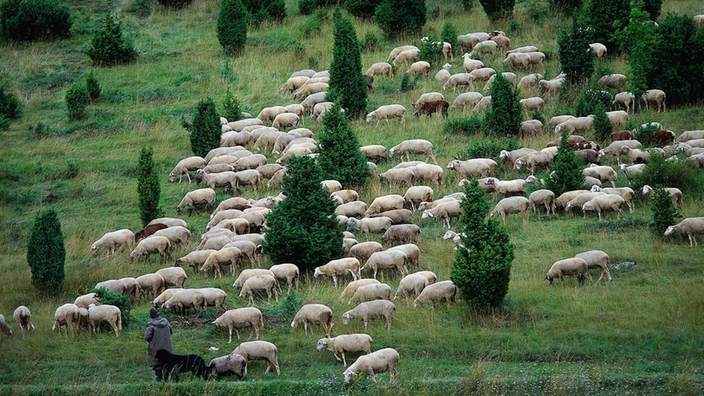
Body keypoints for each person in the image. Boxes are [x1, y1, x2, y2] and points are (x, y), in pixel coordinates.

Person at [144, 307, 172, 382]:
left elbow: (147, 337)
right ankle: (167, 381)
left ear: (152, 317)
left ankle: (159, 382)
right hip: (167, 348)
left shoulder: (150, 325)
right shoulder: (166, 322)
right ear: (158, 314)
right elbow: (171, 332)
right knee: (166, 364)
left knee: (157, 365)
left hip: (156, 349)